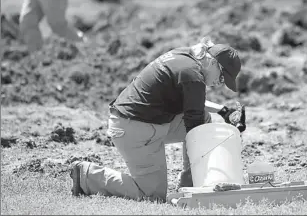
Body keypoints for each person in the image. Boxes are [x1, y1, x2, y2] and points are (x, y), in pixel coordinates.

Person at [69, 37, 246, 202]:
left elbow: (193, 101)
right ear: (214, 63)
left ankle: (189, 184)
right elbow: (195, 129)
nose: (219, 82)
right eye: (222, 77)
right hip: (134, 130)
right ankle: (87, 175)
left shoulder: (185, 57)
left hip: (139, 121)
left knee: (205, 121)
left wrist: (223, 111)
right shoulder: (193, 76)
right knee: (152, 194)